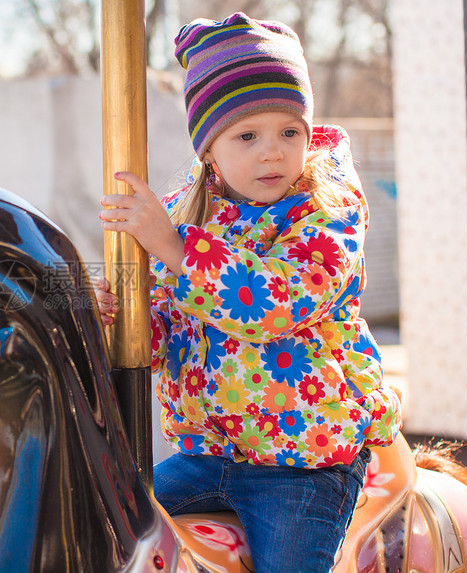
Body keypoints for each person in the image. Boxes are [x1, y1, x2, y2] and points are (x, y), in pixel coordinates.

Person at [95, 12, 401, 572]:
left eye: (290, 132)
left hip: (302, 463)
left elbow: (277, 303)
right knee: (101, 523)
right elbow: (170, 332)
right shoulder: (188, 216)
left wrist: (178, 251)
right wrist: (120, 315)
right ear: (208, 149)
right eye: (247, 135)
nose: (272, 152)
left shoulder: (327, 214)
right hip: (206, 456)